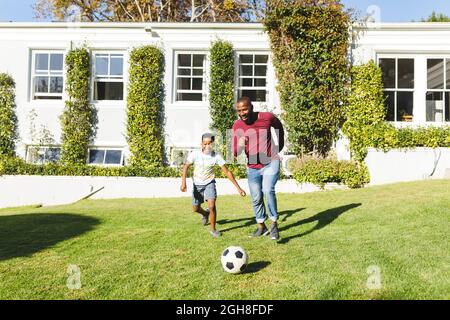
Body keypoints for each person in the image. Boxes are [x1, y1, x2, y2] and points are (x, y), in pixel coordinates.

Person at [232, 97, 285, 240]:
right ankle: (261, 226)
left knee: (268, 190)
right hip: (253, 166)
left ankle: (274, 224)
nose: (242, 113)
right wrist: (241, 145)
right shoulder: (237, 125)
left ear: (251, 107)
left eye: (244, 109)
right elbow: (235, 152)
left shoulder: (267, 117)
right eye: (239, 111)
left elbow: (278, 126)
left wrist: (279, 145)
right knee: (256, 197)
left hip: (270, 161)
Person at [181, 133, 246, 237]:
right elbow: (185, 167)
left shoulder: (216, 156)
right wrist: (183, 182)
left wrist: (238, 188)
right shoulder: (195, 154)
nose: (207, 146)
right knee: (195, 208)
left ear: (213, 144)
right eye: (205, 144)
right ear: (201, 144)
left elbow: (227, 172)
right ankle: (205, 214)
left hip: (209, 182)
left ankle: (213, 229)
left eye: (209, 143)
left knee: (211, 205)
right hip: (197, 184)